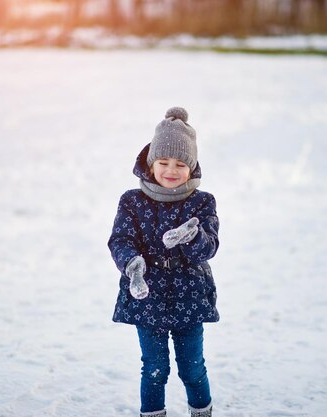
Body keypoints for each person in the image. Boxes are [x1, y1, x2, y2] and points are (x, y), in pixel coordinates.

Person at [108, 107, 220, 417]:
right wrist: (132, 264)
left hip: (190, 295)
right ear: (150, 163)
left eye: (181, 164)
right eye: (163, 162)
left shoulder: (202, 202)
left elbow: (209, 247)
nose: (171, 170)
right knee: (155, 369)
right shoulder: (131, 200)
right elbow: (121, 239)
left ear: (192, 166)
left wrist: (191, 238)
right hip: (148, 298)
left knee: (192, 369)